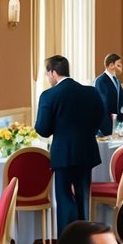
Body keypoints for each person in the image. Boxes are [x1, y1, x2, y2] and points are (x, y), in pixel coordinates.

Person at [34, 55, 104, 232]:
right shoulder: (91, 92)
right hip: (86, 150)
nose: (47, 77)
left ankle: (67, 238)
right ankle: (85, 235)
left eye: (47, 74)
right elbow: (100, 120)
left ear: (53, 72)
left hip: (63, 153)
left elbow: (43, 129)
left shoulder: (49, 95)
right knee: (83, 195)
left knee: (64, 197)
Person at [93, 53, 123, 135]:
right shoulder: (101, 81)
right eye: (119, 64)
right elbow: (104, 105)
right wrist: (108, 129)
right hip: (106, 125)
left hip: (116, 123)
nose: (121, 66)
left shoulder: (116, 81)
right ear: (111, 65)